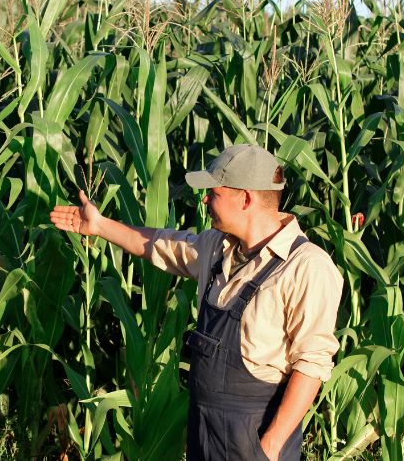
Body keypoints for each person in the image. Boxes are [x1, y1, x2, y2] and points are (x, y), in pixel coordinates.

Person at [50, 144, 343, 461]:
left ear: (245, 198)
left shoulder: (307, 266)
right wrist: (100, 226)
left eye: (213, 193)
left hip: (256, 434)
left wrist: (269, 448)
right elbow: (159, 245)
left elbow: (311, 366)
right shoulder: (218, 247)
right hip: (204, 428)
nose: (204, 200)